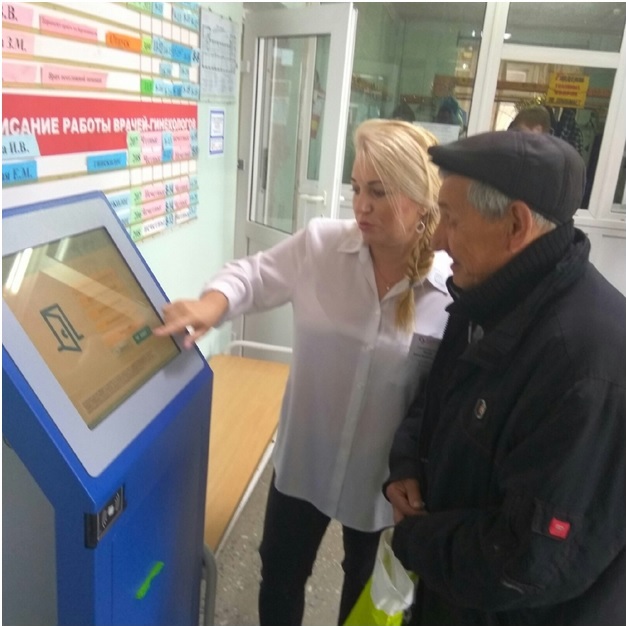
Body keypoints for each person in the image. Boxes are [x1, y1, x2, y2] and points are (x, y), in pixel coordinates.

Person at [153, 119, 453, 626]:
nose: (360, 206)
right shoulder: (321, 247)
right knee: (281, 576)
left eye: (379, 192)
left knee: (367, 594)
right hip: (305, 458)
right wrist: (211, 305)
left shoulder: (448, 289)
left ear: (423, 200)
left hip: (383, 481)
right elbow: (251, 276)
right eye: (356, 188)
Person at [384, 130, 626, 625]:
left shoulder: (586, 367)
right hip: (454, 595)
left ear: (515, 224)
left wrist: (413, 539)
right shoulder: (491, 296)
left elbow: (526, 560)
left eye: (451, 219)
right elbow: (442, 394)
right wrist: (408, 460)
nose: (438, 240)